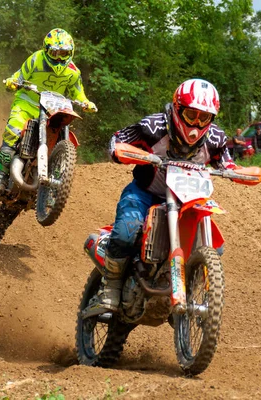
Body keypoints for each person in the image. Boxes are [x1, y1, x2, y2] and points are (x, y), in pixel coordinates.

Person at [86, 78, 235, 317]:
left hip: (188, 202)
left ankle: (187, 295)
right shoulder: (153, 127)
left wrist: (233, 170)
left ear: (212, 119)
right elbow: (116, 140)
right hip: (146, 193)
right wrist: (125, 152)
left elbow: (227, 161)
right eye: (191, 114)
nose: (196, 123)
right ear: (177, 109)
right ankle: (110, 288)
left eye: (204, 118)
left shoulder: (216, 139)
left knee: (216, 248)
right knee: (126, 231)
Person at [0, 28, 98, 196]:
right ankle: (0, 177)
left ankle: (54, 180)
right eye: (54, 53)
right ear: (46, 50)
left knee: (61, 131)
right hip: (27, 103)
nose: (59, 57)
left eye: (64, 53)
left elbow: (78, 92)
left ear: (71, 52)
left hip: (52, 109)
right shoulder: (36, 59)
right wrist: (12, 82)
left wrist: (86, 102)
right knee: (13, 131)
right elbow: (19, 75)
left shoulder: (73, 72)